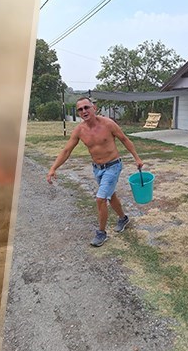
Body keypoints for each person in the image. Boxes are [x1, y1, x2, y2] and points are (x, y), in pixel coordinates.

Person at [46, 97, 144, 247]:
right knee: (110, 196)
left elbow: (124, 139)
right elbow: (67, 150)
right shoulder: (80, 130)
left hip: (113, 166)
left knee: (100, 198)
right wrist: (53, 168)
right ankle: (123, 218)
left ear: (94, 108)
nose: (84, 111)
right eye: (80, 109)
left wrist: (137, 158)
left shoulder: (108, 124)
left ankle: (101, 234)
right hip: (97, 169)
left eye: (86, 107)